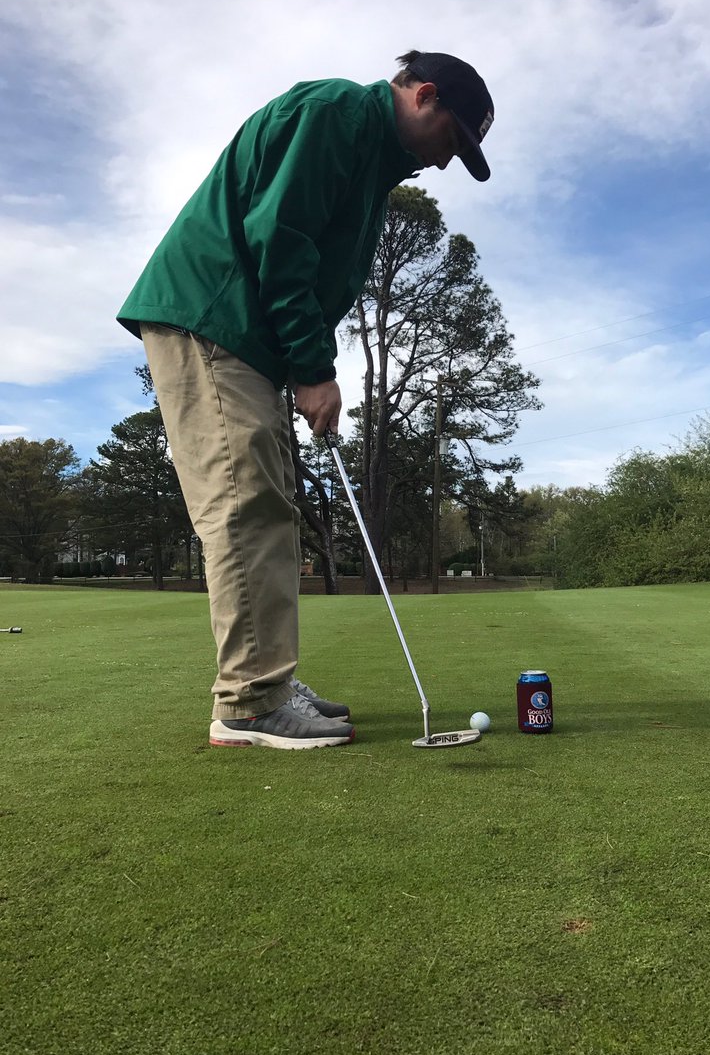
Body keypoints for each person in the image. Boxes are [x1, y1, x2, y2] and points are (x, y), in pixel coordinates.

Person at [117, 50, 495, 751]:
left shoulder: (369, 158)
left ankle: (269, 680)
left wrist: (305, 360)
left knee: (271, 505)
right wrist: (313, 367)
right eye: (453, 139)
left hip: (248, 335)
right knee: (246, 504)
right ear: (425, 96)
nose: (447, 161)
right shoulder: (337, 114)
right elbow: (281, 239)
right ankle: (249, 704)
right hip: (216, 317)